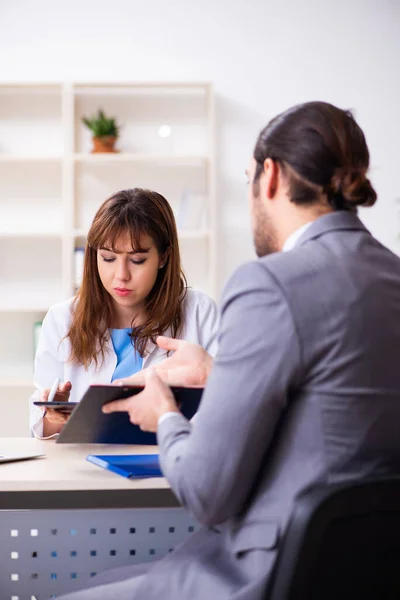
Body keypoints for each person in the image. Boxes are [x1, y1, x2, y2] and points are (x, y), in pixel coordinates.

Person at [59, 101, 400, 599]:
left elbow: (206, 493)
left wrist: (166, 416)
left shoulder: (269, 284)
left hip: (270, 572)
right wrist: (219, 373)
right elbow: (332, 407)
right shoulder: (391, 277)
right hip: (362, 572)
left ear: (270, 176)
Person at [29, 188, 218, 438]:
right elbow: (40, 431)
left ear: (163, 257)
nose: (121, 275)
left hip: (172, 464)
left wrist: (211, 373)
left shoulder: (199, 312)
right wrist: (52, 417)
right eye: (108, 258)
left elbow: (231, 408)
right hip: (85, 469)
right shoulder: (62, 319)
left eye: (137, 260)